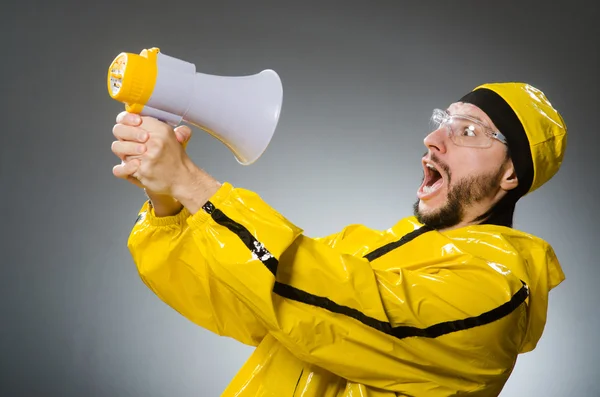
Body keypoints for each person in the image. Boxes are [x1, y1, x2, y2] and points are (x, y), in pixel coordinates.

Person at [110, 82, 567, 396]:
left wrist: (191, 184)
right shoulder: (373, 245)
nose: (433, 138)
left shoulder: (497, 291)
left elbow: (332, 302)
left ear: (510, 173)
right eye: (443, 121)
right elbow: (245, 298)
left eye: (468, 131)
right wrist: (167, 199)